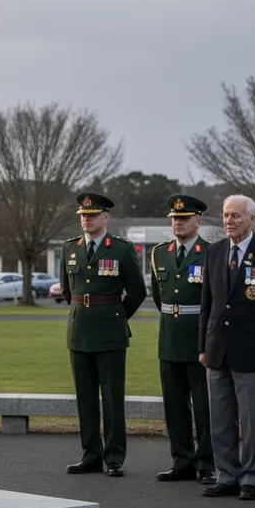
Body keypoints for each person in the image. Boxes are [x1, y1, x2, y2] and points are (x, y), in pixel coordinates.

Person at [198, 194, 255, 501]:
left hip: (253, 353)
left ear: (252, 219)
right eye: (226, 215)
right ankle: (227, 475)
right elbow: (207, 305)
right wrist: (203, 346)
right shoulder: (214, 251)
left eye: (235, 216)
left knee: (252, 422)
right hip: (217, 351)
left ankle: (252, 478)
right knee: (221, 421)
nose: (229, 221)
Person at [60, 192, 147, 477]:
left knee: (111, 398)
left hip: (110, 333)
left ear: (106, 217)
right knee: (85, 398)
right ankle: (91, 455)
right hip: (79, 331)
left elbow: (137, 291)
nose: (86, 219)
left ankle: (114, 457)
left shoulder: (121, 249)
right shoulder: (70, 248)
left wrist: (116, 316)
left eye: (93, 215)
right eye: (83, 215)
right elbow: (67, 290)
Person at [150, 194, 215, 485]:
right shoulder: (160, 253)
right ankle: (182, 460)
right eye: (175, 218)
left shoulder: (211, 253)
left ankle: (206, 462)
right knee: (174, 405)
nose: (178, 223)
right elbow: (158, 297)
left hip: (199, 338)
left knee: (204, 406)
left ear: (198, 221)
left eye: (184, 218)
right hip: (170, 338)